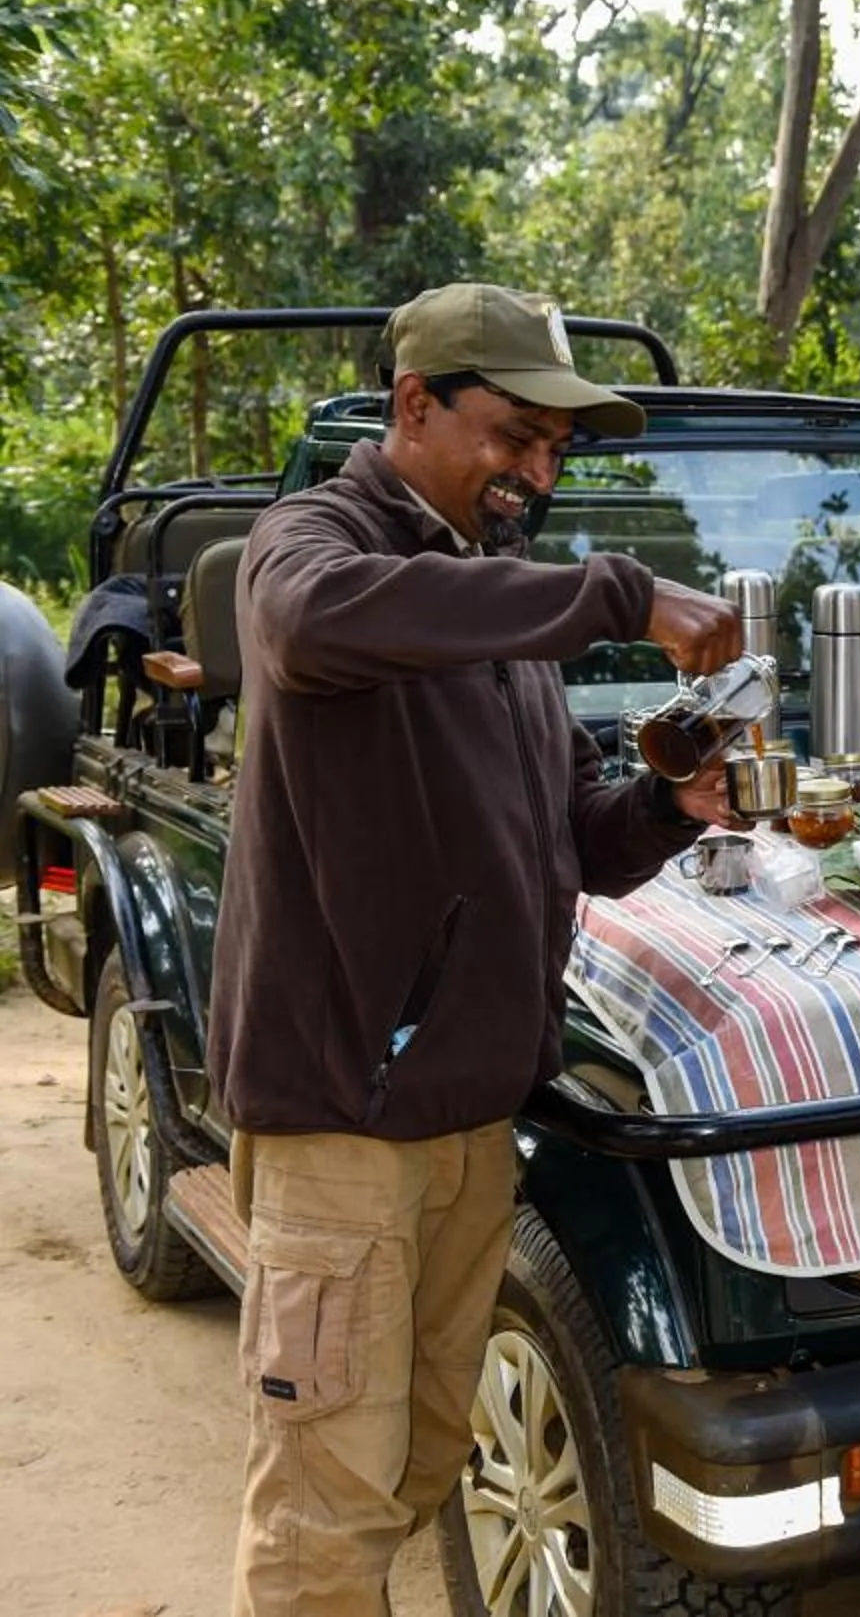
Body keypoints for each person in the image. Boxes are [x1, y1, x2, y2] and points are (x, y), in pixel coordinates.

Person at [207, 283, 745, 1616]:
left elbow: (579, 835)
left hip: (467, 1121)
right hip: (346, 1122)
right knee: (326, 1509)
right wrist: (612, 593)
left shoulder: (497, 621)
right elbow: (317, 622)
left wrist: (671, 805)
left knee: (422, 1458)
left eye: (556, 451)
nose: (536, 472)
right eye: (513, 435)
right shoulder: (312, 543)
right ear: (413, 405)